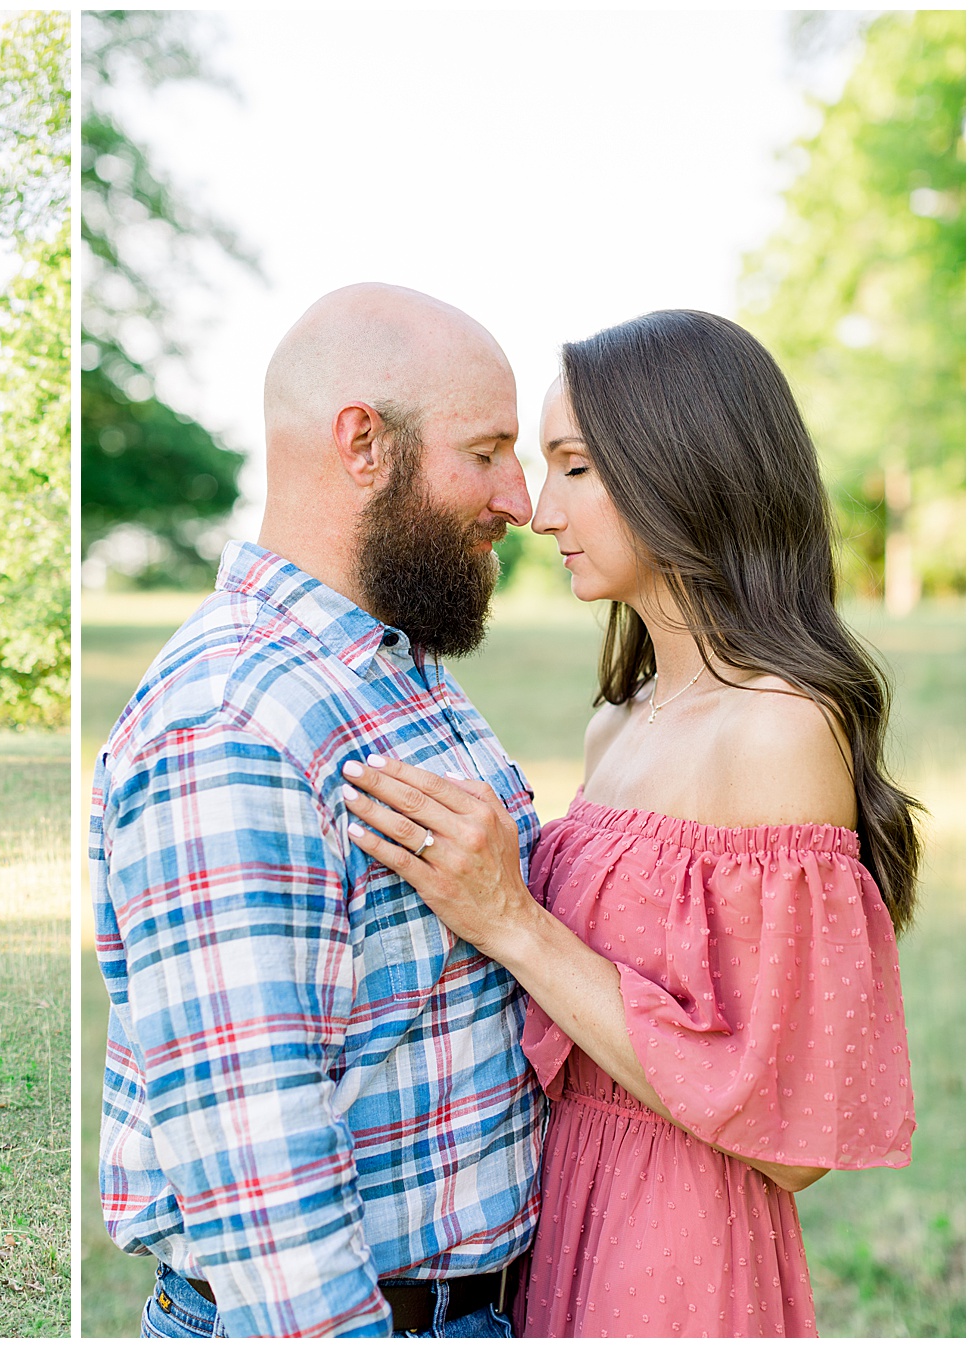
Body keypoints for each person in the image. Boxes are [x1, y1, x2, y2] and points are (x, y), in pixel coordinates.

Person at [340, 310, 918, 1337]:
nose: (537, 510)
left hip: (676, 1239)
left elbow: (790, 1138)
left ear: (681, 469)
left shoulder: (781, 730)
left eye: (575, 468)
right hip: (557, 1209)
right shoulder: (621, 719)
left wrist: (513, 918)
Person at [91, 283, 547, 1338]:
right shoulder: (229, 717)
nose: (518, 496)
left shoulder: (388, 664)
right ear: (364, 444)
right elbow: (258, 1160)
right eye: (486, 451)